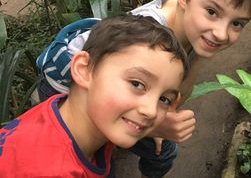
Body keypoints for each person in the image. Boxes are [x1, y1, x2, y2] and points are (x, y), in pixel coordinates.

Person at [35, 0, 251, 177]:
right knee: (95, 160)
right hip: (67, 82)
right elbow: (115, 95)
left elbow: (177, 91)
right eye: (212, 12)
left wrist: (200, 56)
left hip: (121, 86)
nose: (221, 33)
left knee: (163, 151)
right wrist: (156, 124)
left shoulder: (191, 25)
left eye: (237, 23)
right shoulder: (151, 39)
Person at [0, 14, 189, 177]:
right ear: (84, 70)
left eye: (164, 99)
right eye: (136, 84)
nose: (151, 111)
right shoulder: (49, 172)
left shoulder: (64, 110)